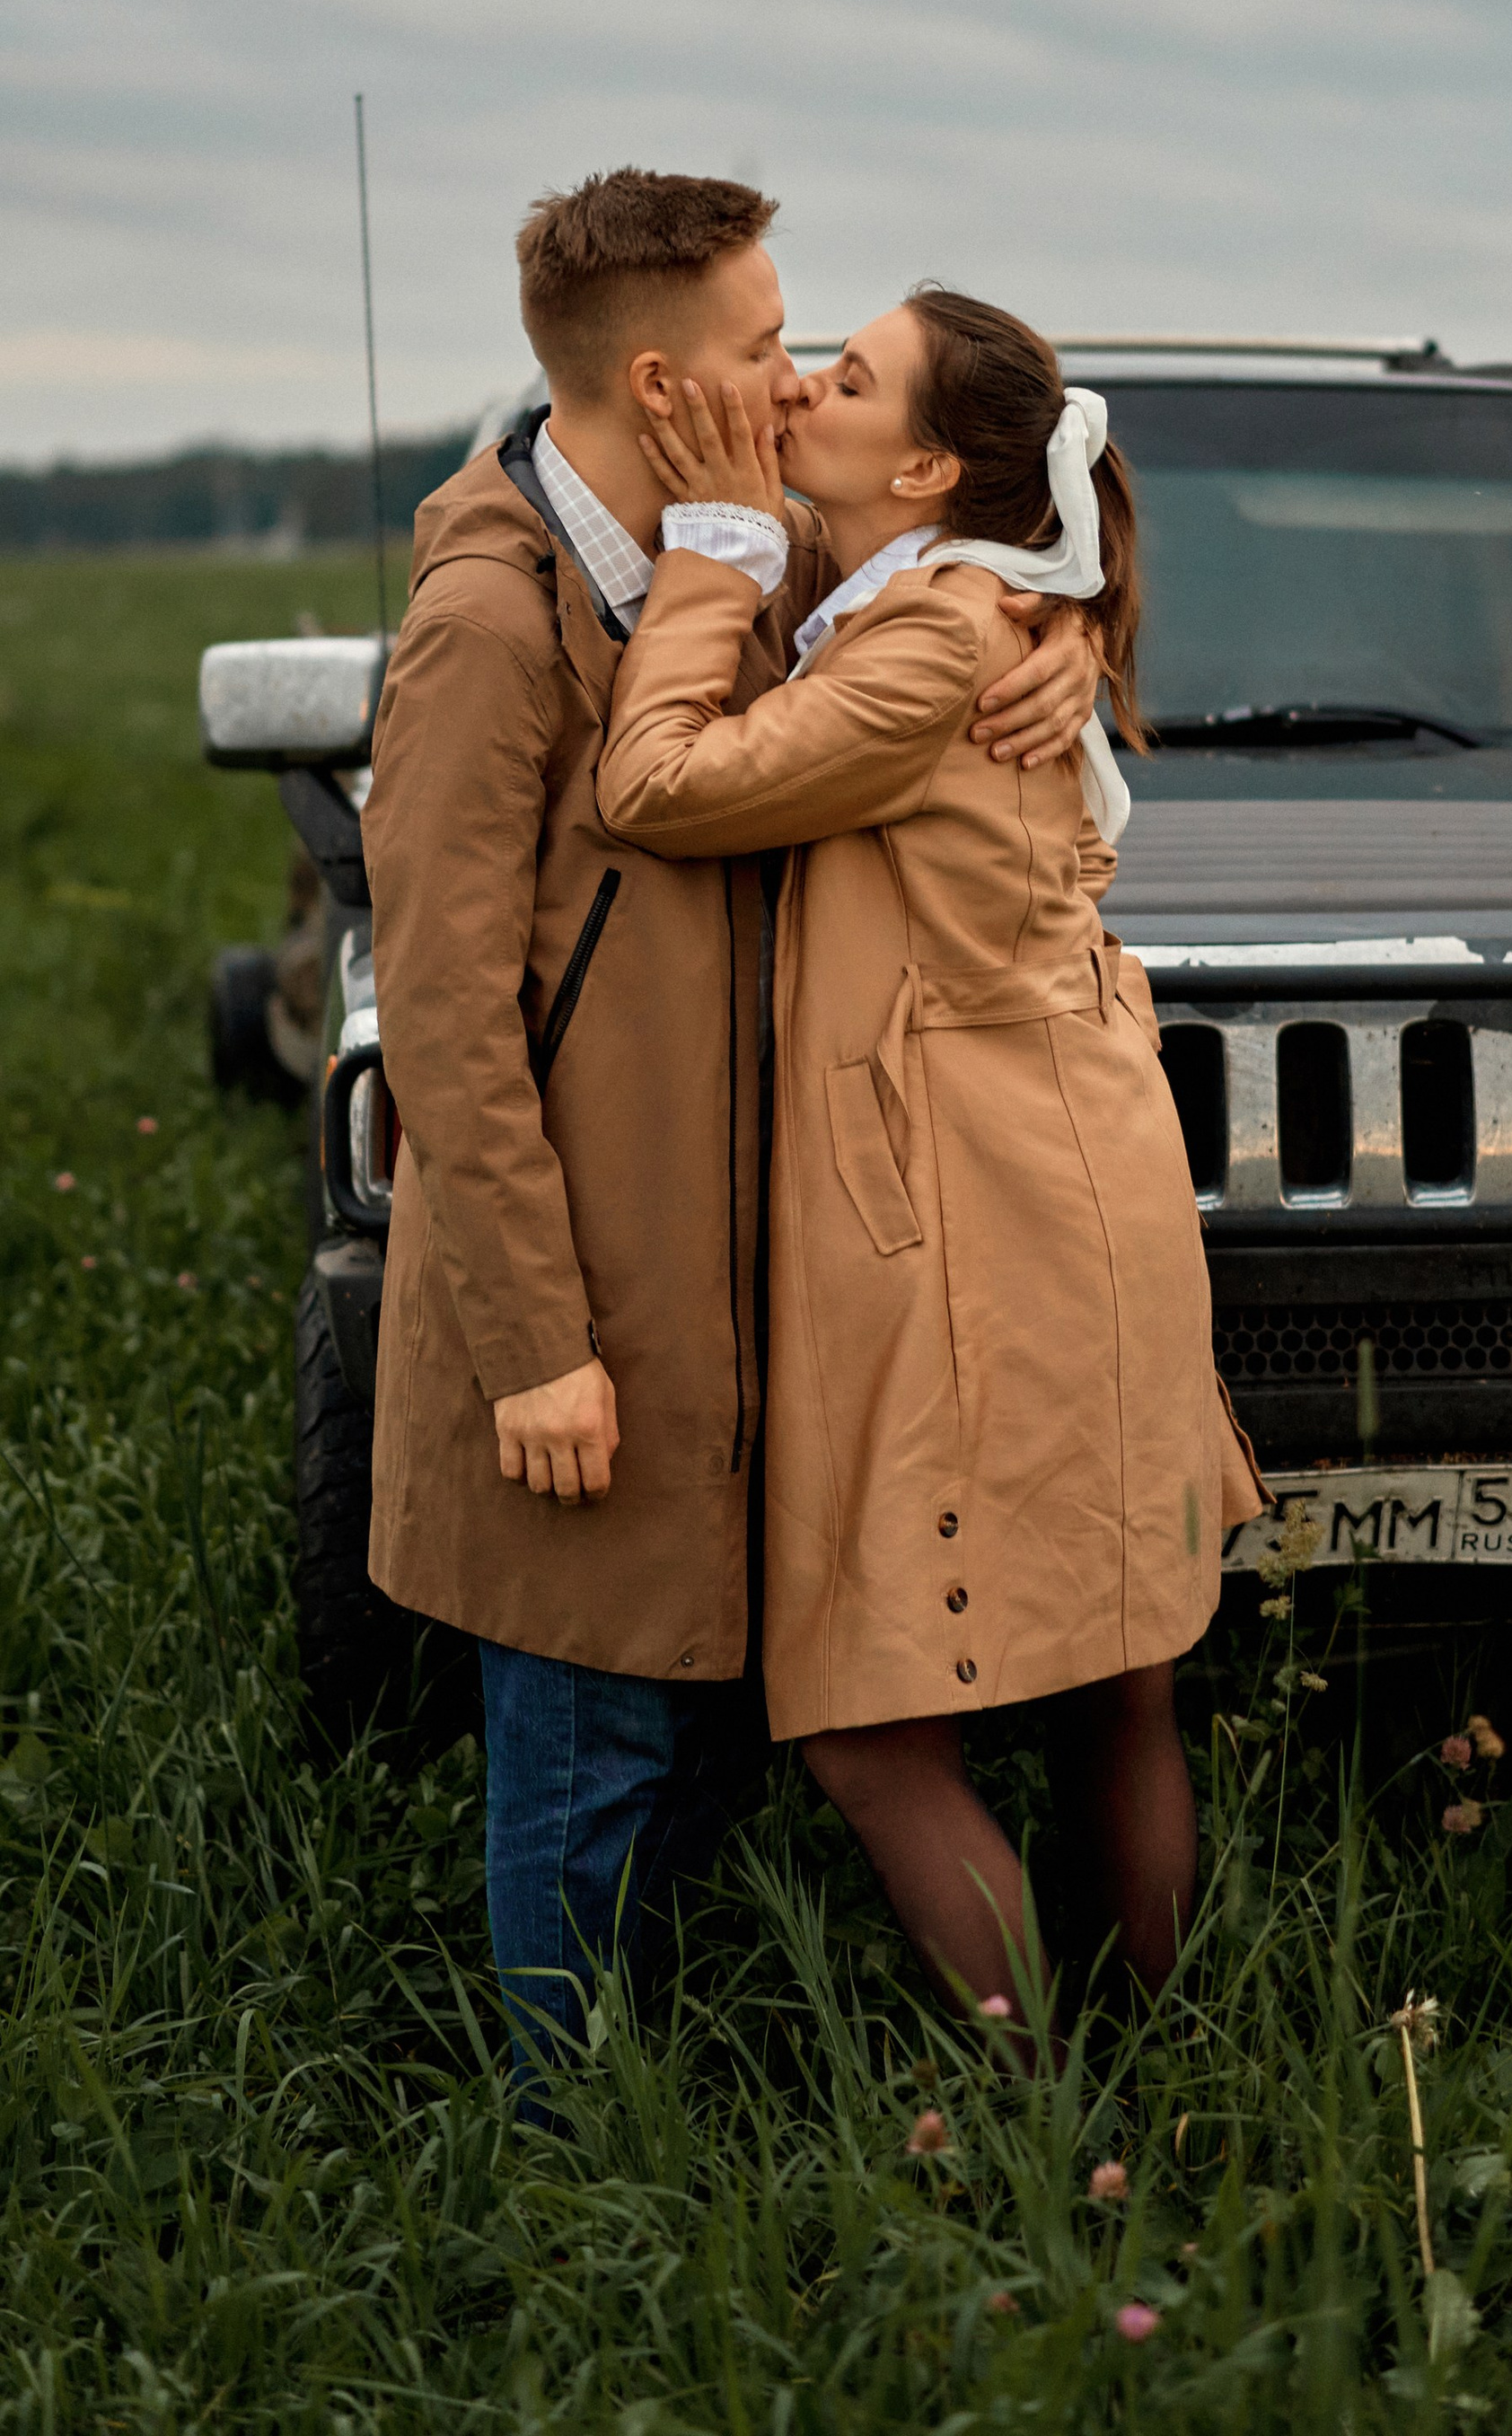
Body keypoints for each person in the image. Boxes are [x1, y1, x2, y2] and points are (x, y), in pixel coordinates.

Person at [360, 177, 1103, 2097]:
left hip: (750, 1300)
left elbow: (981, 529)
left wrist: (1062, 629)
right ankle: (568, 2169)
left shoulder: (748, 554)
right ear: (663, 383)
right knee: (585, 1767)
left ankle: (676, 2118)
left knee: (688, 1758)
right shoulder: (485, 619)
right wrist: (535, 1342)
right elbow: (443, 1022)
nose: (794, 376)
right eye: (768, 345)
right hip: (588, 1313)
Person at [595, 285, 1265, 2037]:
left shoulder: (924, 643)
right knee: (1117, 1684)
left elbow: (655, 784)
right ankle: (1155, 2078)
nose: (800, 388)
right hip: (1074, 1177)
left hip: (979, 1216)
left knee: (873, 1725)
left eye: (845, 377)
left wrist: (711, 550)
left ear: (924, 470)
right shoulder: (961, 604)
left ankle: (1050, 2112)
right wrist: (1065, 612)